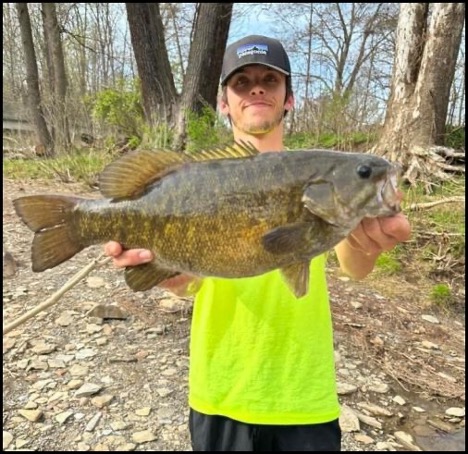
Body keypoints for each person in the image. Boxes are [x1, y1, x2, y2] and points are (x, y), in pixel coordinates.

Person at [104, 35, 411, 451]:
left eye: (270, 79)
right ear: (224, 103)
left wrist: (369, 241)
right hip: (220, 391)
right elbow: (191, 286)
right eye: (241, 83)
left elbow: (354, 268)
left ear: (289, 99)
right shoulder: (195, 179)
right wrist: (170, 277)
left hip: (302, 397)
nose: (257, 89)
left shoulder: (316, 178)